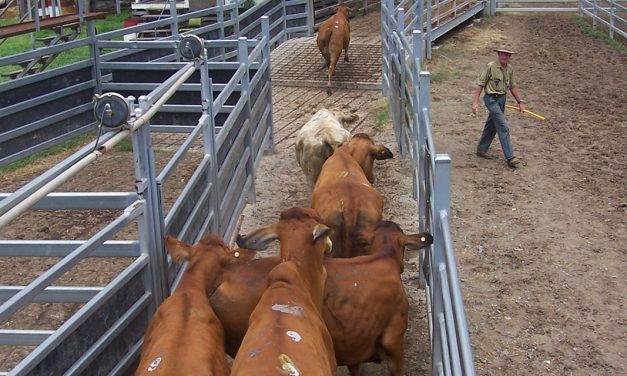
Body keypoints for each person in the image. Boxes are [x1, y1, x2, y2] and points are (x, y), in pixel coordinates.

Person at [471, 47, 526, 168]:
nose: (504, 56)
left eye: (507, 55)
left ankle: (482, 148)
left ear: (509, 57)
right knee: (503, 126)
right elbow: (481, 83)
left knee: (492, 125)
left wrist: (520, 102)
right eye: (502, 54)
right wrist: (475, 102)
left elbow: (512, 86)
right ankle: (510, 157)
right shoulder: (491, 66)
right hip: (491, 99)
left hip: (502, 99)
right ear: (498, 55)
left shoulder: (510, 69)